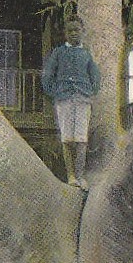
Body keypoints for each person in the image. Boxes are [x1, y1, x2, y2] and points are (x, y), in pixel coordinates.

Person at [42, 17, 101, 190]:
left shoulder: (87, 54)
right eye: (70, 30)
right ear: (65, 33)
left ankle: (81, 175)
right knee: (67, 138)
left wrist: (90, 91)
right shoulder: (58, 53)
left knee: (81, 139)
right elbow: (47, 75)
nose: (73, 33)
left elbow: (95, 76)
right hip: (64, 100)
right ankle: (71, 176)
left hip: (83, 100)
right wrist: (55, 92)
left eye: (77, 30)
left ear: (83, 32)